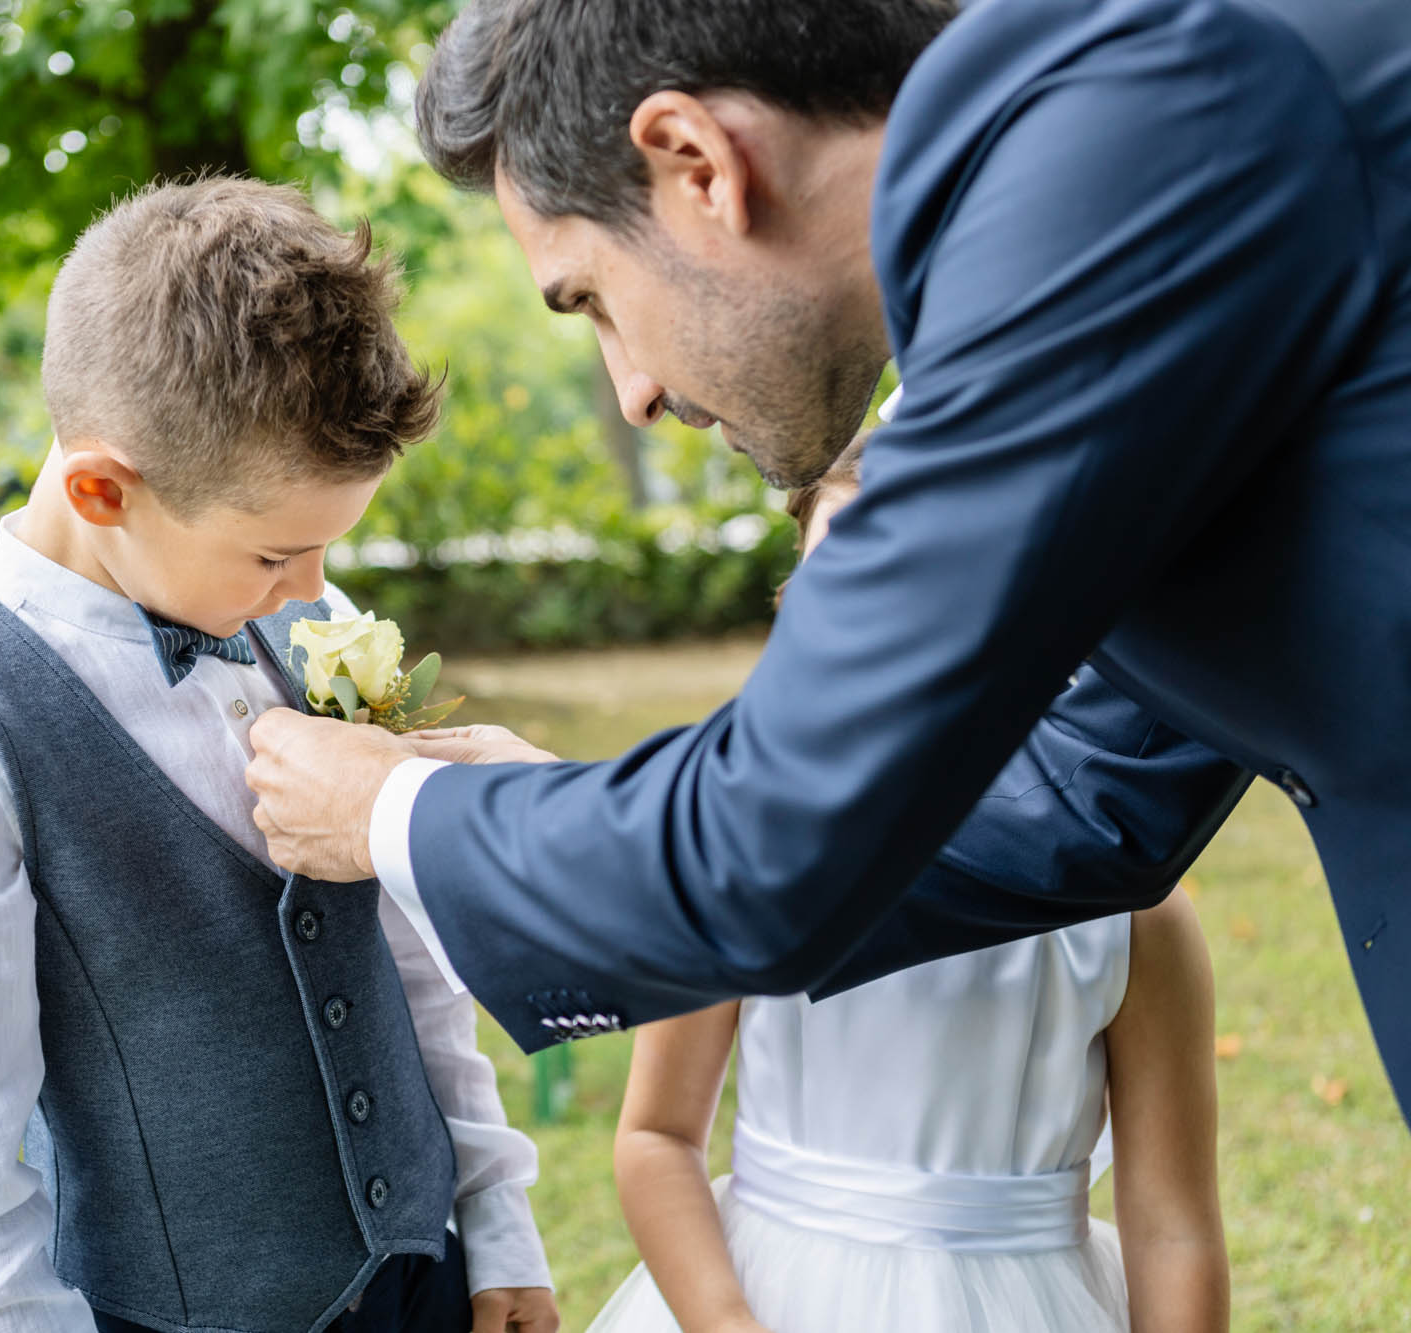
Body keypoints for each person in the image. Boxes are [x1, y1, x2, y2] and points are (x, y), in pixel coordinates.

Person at [243, 0, 1411, 1124]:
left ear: (695, 164)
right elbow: (1085, 795)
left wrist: (390, 808)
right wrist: (548, 806)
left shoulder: (1126, 154)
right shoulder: (1088, 173)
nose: (632, 393)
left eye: (591, 299)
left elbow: (772, 842)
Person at [0, 178, 557, 1333]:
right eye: (273, 552)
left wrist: (494, 1224)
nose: (311, 592)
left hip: (424, 1278)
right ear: (101, 489)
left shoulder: (305, 623)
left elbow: (408, 971)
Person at [588, 444, 1227, 1333]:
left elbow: (1174, 1226)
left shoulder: (1135, 910)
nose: (870, 622)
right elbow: (657, 1136)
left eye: (917, 580)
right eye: (835, 582)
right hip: (771, 1290)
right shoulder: (737, 848)